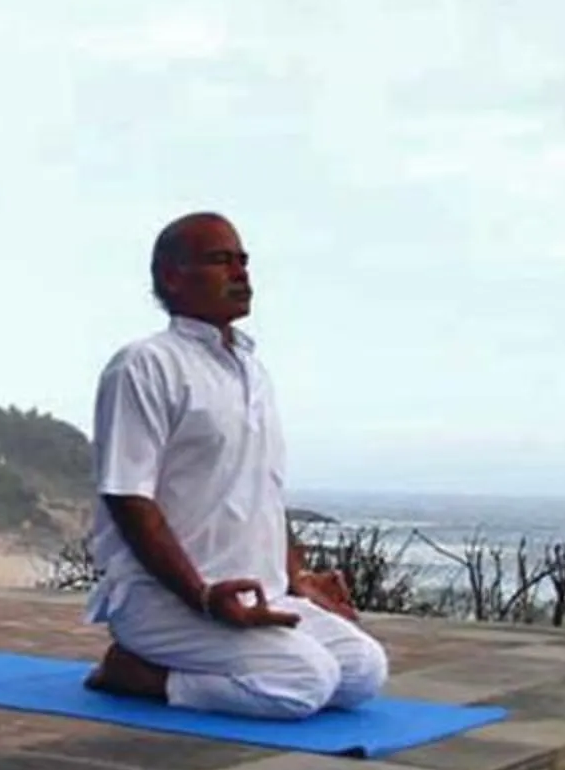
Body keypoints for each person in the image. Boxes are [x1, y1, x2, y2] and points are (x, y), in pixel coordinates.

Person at [79, 211, 390, 720]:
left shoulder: (252, 371)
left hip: (252, 595)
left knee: (362, 671)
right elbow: (127, 497)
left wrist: (298, 578)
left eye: (243, 261)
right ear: (172, 277)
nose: (241, 273)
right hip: (164, 599)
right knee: (305, 681)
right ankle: (136, 672)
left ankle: (177, 666)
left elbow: (261, 491)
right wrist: (201, 595)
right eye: (221, 260)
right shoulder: (145, 364)